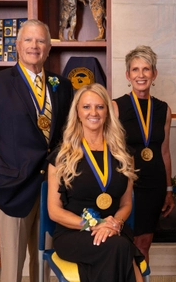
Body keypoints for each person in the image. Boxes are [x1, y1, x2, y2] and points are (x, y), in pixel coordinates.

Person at [0, 19, 73, 282]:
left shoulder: (63, 85)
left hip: (52, 189)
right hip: (11, 189)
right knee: (13, 269)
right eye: (28, 40)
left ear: (49, 48)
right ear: (17, 45)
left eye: (40, 41)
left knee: (47, 265)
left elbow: (67, 136)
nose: (34, 46)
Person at [47, 83, 145, 282]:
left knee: (116, 246)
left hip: (114, 228)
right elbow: (54, 211)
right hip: (74, 231)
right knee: (120, 248)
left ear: (107, 112)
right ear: (77, 112)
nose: (94, 112)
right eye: (86, 107)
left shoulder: (123, 154)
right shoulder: (62, 156)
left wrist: (114, 223)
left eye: (100, 107)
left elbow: (126, 203)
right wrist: (93, 226)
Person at [112, 45, 175, 263]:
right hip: (126, 184)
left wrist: (168, 189)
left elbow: (164, 151)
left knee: (144, 244)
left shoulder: (164, 109)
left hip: (154, 185)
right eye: (135, 70)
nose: (141, 75)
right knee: (123, 243)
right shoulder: (115, 107)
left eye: (146, 69)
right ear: (128, 75)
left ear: (154, 74)